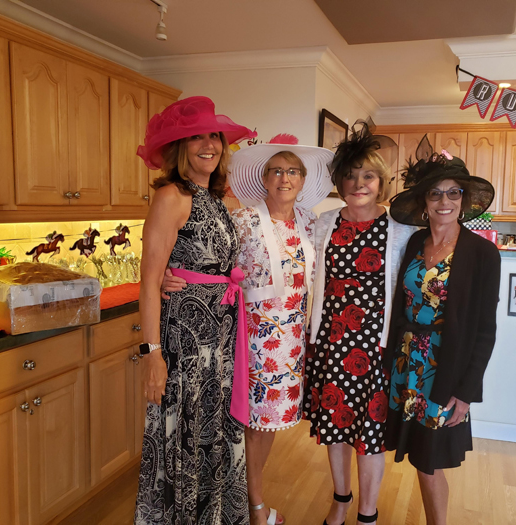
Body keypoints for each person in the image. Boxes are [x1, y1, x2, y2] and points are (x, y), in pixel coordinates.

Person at [162, 135, 334, 525]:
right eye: (277, 171)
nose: (285, 178)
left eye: (293, 171)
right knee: (246, 425)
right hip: (246, 336)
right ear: (264, 178)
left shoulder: (311, 223)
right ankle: (253, 506)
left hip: (291, 341)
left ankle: (241, 498)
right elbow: (202, 255)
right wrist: (167, 276)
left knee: (267, 423)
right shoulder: (243, 220)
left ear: (302, 179)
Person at [134, 96, 256, 525]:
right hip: (185, 343)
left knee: (214, 434)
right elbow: (149, 281)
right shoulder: (172, 196)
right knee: (185, 433)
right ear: (179, 148)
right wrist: (151, 354)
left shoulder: (218, 198)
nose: (209, 145)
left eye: (214, 136)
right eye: (196, 137)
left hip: (219, 341)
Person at [303, 121, 418, 525]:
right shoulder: (324, 223)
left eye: (368, 176)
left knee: (370, 433)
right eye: (350, 176)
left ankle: (367, 512)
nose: (358, 184)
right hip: (332, 340)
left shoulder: (401, 228)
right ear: (340, 182)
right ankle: (341, 499)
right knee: (335, 423)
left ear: (381, 182)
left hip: (377, 343)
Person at [385, 136, 501, 525]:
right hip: (405, 364)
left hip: (443, 368)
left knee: (430, 460)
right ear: (424, 201)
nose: (444, 201)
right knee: (418, 456)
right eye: (435, 193)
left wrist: (466, 392)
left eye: (454, 192)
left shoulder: (482, 253)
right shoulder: (415, 242)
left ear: (464, 200)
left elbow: (485, 330)